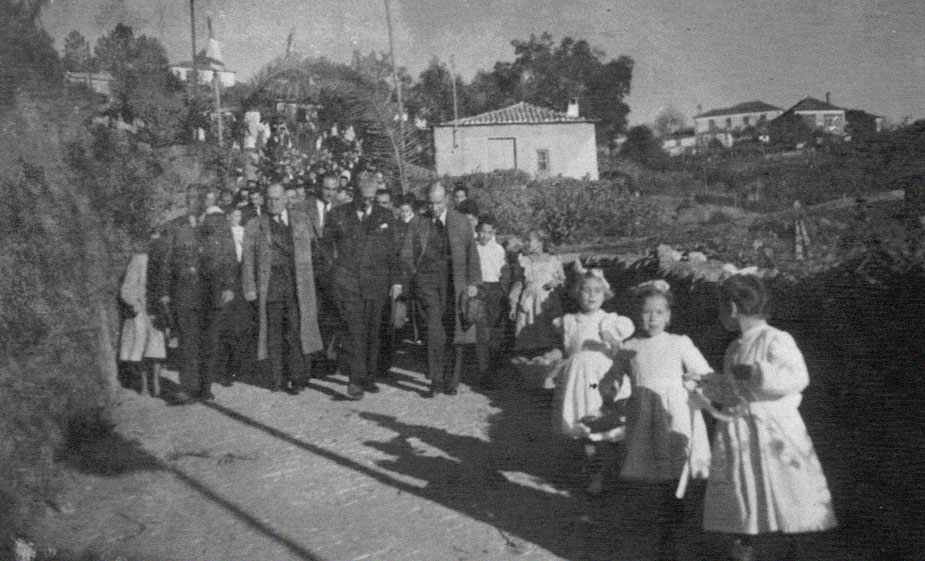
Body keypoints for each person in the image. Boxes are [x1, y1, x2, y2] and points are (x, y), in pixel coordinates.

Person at [699, 274, 837, 561]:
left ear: (734, 308)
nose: (721, 314)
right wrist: (710, 385)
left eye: (723, 308)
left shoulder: (775, 338)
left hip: (773, 431)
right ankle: (749, 540)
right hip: (741, 429)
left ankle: (790, 543)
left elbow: (798, 378)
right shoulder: (734, 347)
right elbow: (734, 392)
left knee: (783, 486)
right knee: (745, 487)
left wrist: (759, 373)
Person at [615, 279, 713, 555]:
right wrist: (601, 388)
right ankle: (657, 521)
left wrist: (696, 380)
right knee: (649, 468)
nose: (653, 318)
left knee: (676, 465)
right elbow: (607, 379)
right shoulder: (628, 347)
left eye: (659, 312)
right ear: (637, 313)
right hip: (644, 415)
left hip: (675, 413)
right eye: (647, 311)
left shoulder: (679, 343)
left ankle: (675, 519)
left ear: (669, 316)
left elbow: (704, 372)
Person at [550, 270, 635, 495]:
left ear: (605, 294)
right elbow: (566, 350)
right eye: (586, 290)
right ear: (577, 293)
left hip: (599, 381)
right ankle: (587, 470)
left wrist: (610, 338)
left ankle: (604, 472)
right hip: (577, 381)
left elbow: (623, 339)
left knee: (601, 422)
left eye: (597, 291)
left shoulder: (608, 320)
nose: (591, 295)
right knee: (580, 423)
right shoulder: (568, 321)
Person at [323, 174, 403, 399]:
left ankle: (368, 376)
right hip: (348, 283)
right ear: (355, 193)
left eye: (371, 198)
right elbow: (325, 249)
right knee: (353, 331)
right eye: (364, 198)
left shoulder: (385, 216)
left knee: (373, 331)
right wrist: (335, 275)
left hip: (377, 284)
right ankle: (355, 380)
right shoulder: (338, 215)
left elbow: (393, 253)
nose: (368, 202)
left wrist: (396, 281)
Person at [401, 182, 481, 397]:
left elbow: (472, 254)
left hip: (455, 284)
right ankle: (435, 381)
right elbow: (406, 254)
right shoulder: (417, 223)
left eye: (438, 202)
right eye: (430, 203)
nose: (434, 207)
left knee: (455, 331)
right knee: (434, 331)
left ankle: (452, 381)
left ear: (446, 199)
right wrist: (415, 276)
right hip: (427, 284)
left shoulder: (461, 222)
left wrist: (473, 284)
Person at [242, 183, 324, 394]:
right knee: (273, 334)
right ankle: (277, 379)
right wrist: (249, 286)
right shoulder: (255, 224)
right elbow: (248, 259)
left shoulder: (302, 220)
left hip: (297, 286)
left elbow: (315, 251)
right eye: (269, 199)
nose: (273, 203)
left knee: (296, 332)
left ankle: (296, 378)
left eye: (277, 199)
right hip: (270, 287)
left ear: (286, 199)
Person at [152, 189, 207, 404]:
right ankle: (188, 388)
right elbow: (165, 262)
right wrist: (164, 292)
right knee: (187, 341)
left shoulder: (211, 226)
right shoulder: (175, 227)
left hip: (208, 294)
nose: (194, 202)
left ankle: (204, 386)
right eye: (190, 199)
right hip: (183, 292)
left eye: (198, 198)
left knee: (206, 341)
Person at [201, 207, 252, 388]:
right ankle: (221, 372)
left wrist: (230, 286)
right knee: (221, 333)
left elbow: (232, 262)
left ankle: (230, 370)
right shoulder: (208, 240)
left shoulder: (228, 239)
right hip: (217, 291)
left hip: (231, 288)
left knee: (231, 331)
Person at [119, 233, 167, 397]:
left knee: (157, 345)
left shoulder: (163, 261)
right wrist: (135, 306)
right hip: (140, 308)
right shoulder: (139, 260)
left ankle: (156, 382)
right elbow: (127, 288)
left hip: (156, 309)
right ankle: (144, 385)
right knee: (140, 344)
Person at [509, 229, 566, 353]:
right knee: (528, 339)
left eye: (529, 240)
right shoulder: (523, 260)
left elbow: (562, 279)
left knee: (548, 336)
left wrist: (555, 282)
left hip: (548, 303)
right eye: (525, 240)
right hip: (529, 304)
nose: (526, 243)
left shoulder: (553, 259)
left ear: (540, 242)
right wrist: (513, 304)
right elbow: (518, 283)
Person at [473, 216, 511, 388]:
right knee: (482, 333)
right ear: (477, 231)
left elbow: (504, 272)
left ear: (494, 232)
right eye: (482, 231)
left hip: (495, 291)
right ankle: (483, 374)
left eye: (489, 232)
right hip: (480, 290)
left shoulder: (498, 249)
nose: (485, 236)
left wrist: (502, 291)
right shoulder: (473, 247)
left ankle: (494, 372)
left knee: (496, 333)